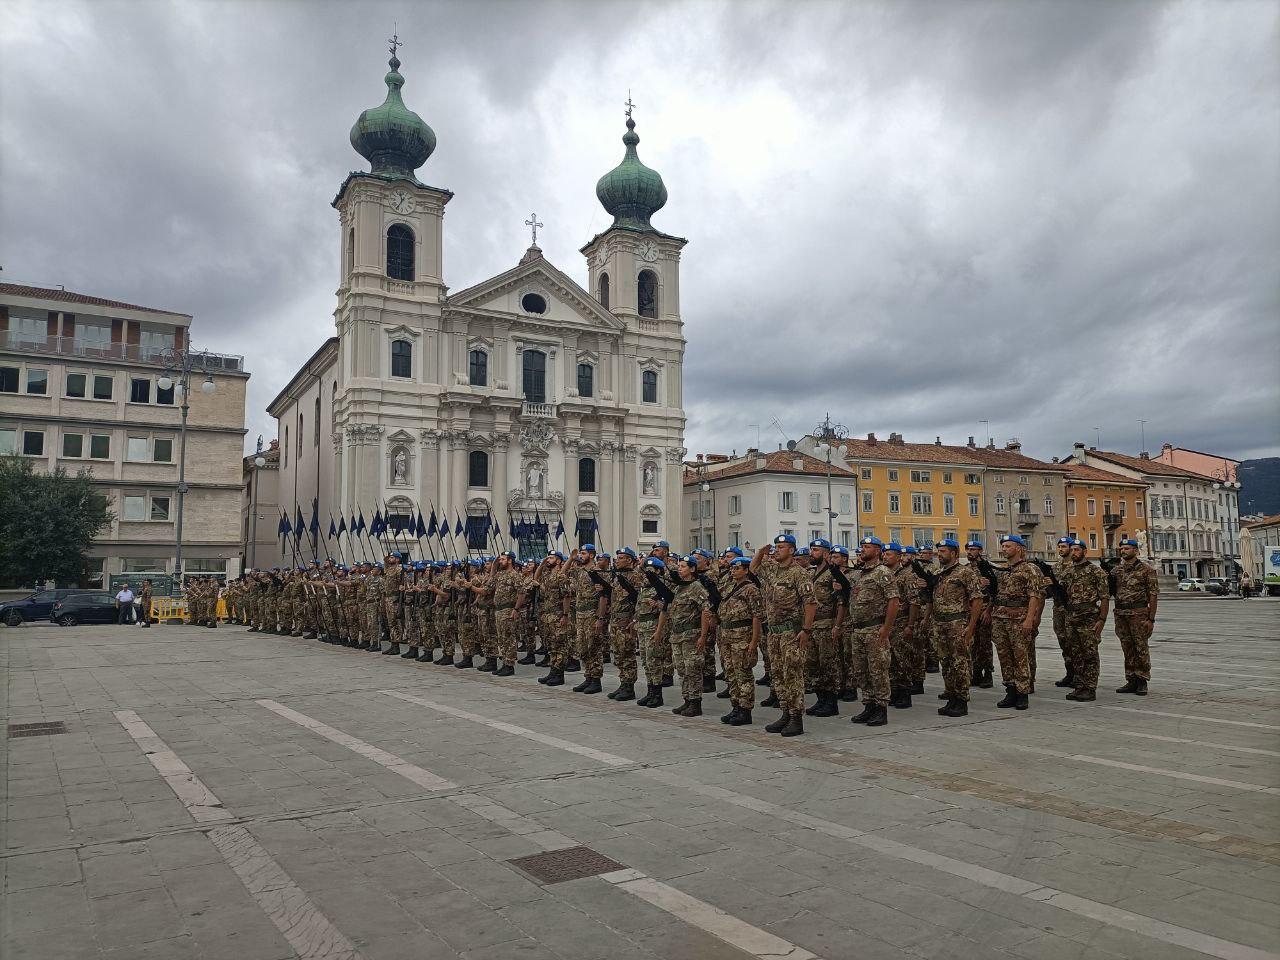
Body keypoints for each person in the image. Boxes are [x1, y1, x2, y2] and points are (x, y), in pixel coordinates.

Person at [1111, 538, 1158, 695]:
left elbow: (1153, 595)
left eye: (1127, 548)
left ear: (1136, 551)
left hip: (1139, 614)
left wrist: (1151, 619)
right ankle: (1131, 679)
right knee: (1127, 647)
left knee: (1141, 647)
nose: (1124, 551)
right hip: (1121, 614)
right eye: (1122, 549)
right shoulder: (1116, 571)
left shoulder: (1147, 570)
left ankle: (1142, 679)